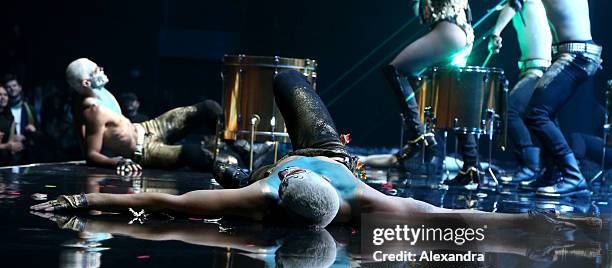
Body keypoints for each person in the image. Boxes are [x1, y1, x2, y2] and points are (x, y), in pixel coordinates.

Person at [32, 71, 600, 232]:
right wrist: (542, 225)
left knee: (278, 85)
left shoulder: (261, 194)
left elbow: (165, 208)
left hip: (289, 163)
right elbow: (455, 217)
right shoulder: (372, 206)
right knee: (283, 79)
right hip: (329, 149)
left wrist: (77, 206)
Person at [66, 58, 222, 174]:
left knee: (208, 107)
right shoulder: (93, 111)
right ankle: (231, 168)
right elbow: (91, 154)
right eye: (95, 71)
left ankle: (237, 145)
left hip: (148, 128)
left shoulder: (101, 93)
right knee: (195, 154)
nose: (101, 69)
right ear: (86, 83)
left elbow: (78, 122)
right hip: (144, 151)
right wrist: (116, 162)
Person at [384, 0, 480, 186]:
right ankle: (470, 167)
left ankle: (419, 136)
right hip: (464, 33)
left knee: (395, 70)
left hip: (449, 30)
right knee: (453, 95)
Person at [518, 0, 602, 197]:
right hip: (575, 52)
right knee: (546, 113)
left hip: (576, 54)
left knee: (537, 113)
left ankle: (573, 176)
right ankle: (551, 175)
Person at [487, 0, 553, 186]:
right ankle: (545, 168)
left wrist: (495, 32)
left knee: (510, 111)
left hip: (538, 70)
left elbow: (512, 5)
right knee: (539, 118)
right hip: (535, 69)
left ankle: (531, 166)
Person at [4, 74, 36, 164]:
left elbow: (39, 130)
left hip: (26, 153)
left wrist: (30, 132)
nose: (12, 89)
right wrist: (10, 137)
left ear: (19, 88)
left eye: (14, 86)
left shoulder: (29, 108)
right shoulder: (3, 109)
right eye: (8, 87)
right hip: (7, 153)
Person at [0, 86, 24, 165]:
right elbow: (7, 145)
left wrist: (15, 145)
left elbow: (10, 142)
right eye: (0, 95)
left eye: (5, 95)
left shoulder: (10, 117)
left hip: (6, 162)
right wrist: (6, 146)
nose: (3, 97)